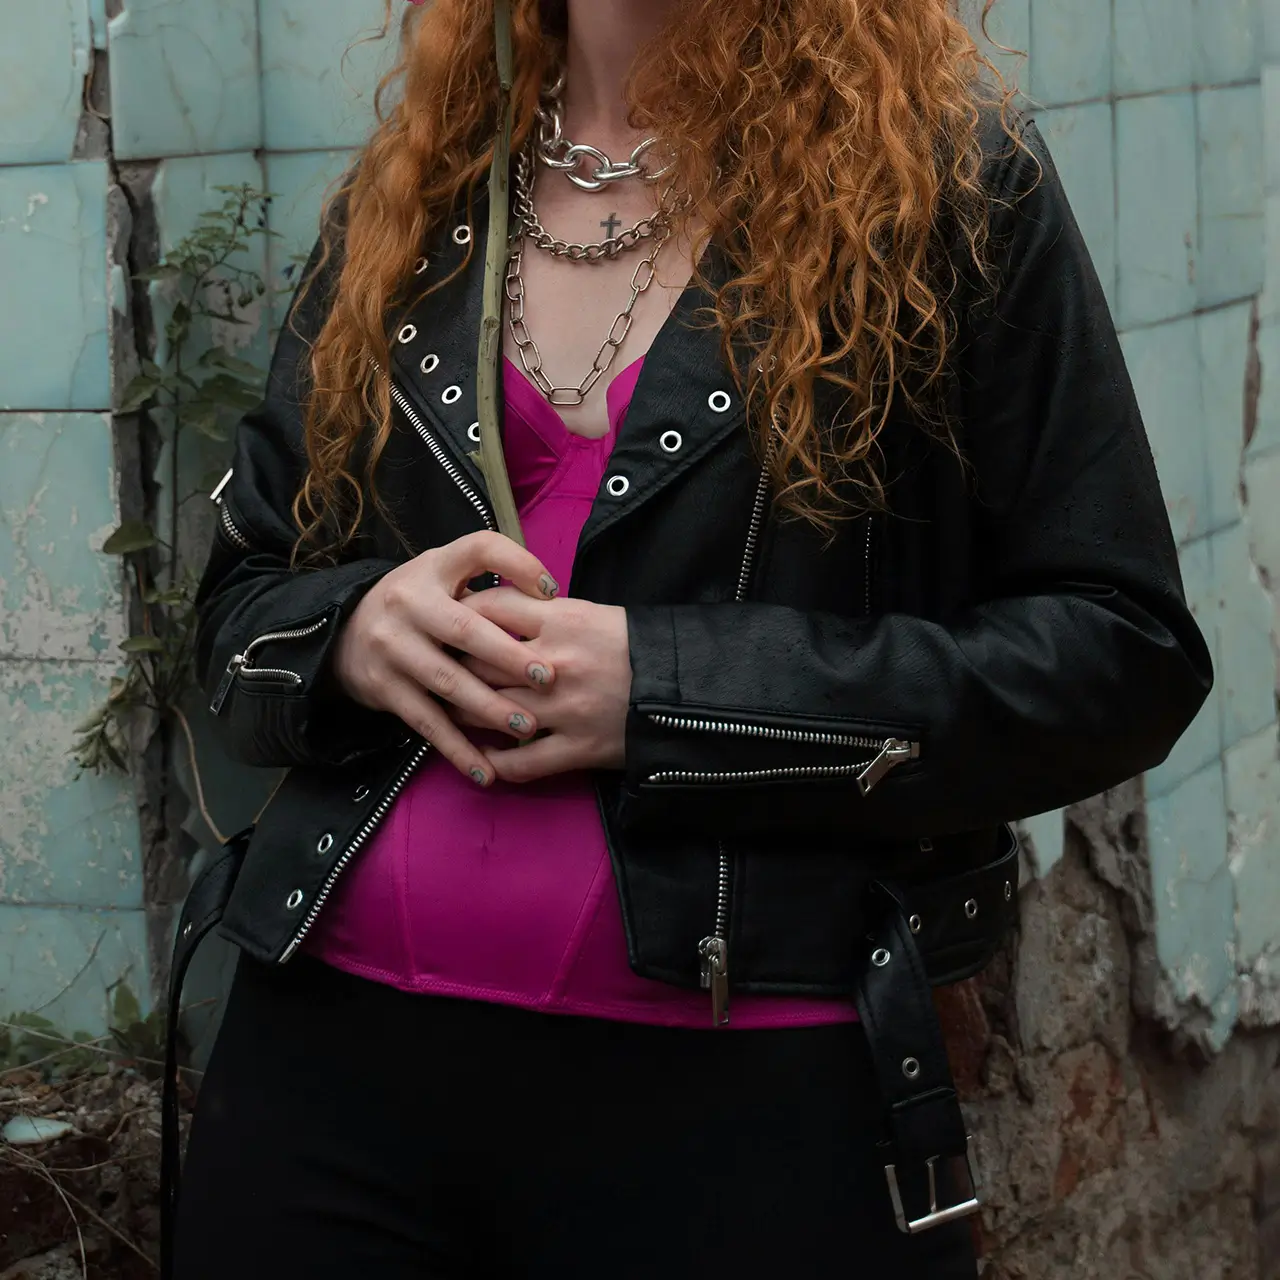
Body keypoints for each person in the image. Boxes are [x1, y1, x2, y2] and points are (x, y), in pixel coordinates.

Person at [171, 0, 1213, 1276]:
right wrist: (352, 634)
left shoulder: (947, 181)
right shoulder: (425, 180)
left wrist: (665, 689)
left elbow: (1119, 650)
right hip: (322, 1077)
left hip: (737, 1090)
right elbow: (238, 599)